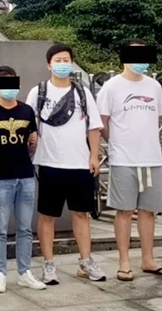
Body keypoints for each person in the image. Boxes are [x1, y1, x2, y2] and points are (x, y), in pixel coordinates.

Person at [96, 40, 162, 281]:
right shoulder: (111, 86)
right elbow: (102, 122)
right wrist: (117, 143)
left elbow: (158, 119)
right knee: (124, 211)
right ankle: (124, 262)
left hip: (151, 159)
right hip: (123, 159)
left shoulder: (154, 86)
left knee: (148, 212)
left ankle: (148, 259)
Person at [26, 44, 106, 284]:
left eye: (66, 60)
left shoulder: (82, 92)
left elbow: (94, 127)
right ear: (48, 65)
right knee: (47, 216)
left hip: (80, 164)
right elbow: (26, 122)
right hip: (49, 163)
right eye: (57, 60)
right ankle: (49, 264)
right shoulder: (39, 92)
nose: (62, 64)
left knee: (81, 214)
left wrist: (94, 156)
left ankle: (86, 261)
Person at [0, 66, 47, 293]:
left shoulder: (27, 111)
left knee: (25, 228)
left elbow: (32, 141)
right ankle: (0, 273)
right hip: (1, 179)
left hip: (25, 176)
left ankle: (25, 272)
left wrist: (32, 145)